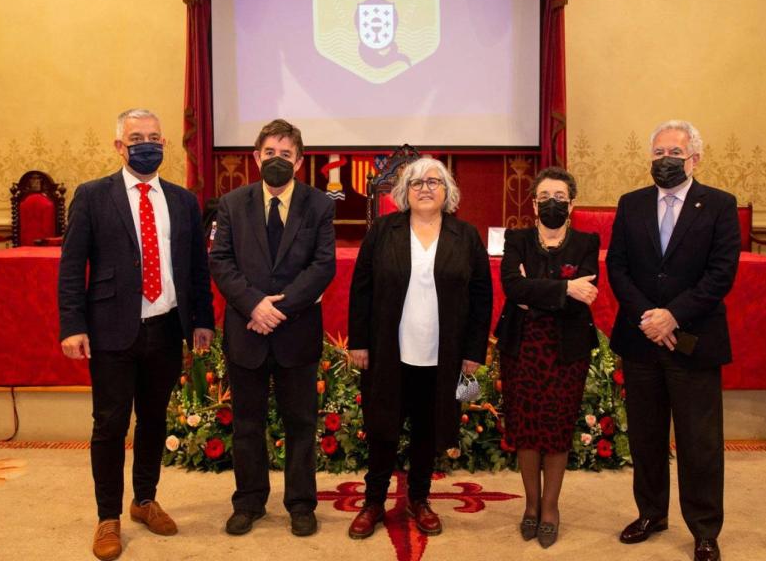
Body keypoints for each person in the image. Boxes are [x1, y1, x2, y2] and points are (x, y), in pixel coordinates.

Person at [58, 108, 215, 561]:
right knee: (110, 424)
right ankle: (107, 516)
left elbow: (196, 268)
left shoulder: (182, 201)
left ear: (164, 144)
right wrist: (73, 325)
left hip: (166, 328)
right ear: (119, 146)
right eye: (137, 138)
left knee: (153, 419)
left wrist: (202, 320)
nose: (147, 144)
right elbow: (72, 267)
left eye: (154, 138)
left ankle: (144, 500)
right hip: (111, 329)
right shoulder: (92, 196)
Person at [606, 120, 740, 561]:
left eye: (675, 153)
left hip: (694, 340)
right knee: (646, 436)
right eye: (659, 153)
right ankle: (651, 513)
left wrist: (673, 316)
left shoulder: (720, 205)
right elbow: (617, 267)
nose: (665, 160)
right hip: (641, 338)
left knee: (700, 442)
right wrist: (649, 317)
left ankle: (704, 529)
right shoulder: (631, 204)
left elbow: (721, 273)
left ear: (694, 159)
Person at [346, 158, 492, 539]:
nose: (425, 188)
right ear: (404, 192)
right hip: (388, 352)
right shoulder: (383, 231)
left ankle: (419, 499)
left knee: (427, 430)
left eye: (433, 181)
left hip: (442, 356)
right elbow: (361, 288)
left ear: (447, 191)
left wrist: (473, 350)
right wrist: (359, 341)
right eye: (416, 182)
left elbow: (481, 297)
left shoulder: (466, 236)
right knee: (383, 429)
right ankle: (373, 502)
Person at [209, 119, 336, 538]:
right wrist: (254, 305)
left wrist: (277, 309)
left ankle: (301, 504)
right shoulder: (232, 203)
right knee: (247, 423)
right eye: (269, 153)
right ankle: (248, 502)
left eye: (285, 154)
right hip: (246, 329)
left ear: (298, 162)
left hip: (295, 330)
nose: (276, 160)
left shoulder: (319, 205)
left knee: (301, 423)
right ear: (255, 157)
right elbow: (221, 261)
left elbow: (323, 265)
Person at [494, 166, 599, 549]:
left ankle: (550, 508)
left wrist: (535, 290)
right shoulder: (517, 238)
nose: (552, 204)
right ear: (534, 205)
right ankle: (531, 506)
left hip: (567, 349)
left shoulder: (586, 242)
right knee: (525, 427)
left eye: (560, 198)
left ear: (571, 205)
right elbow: (512, 287)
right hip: (522, 346)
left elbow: (586, 294)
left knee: (557, 428)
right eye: (544, 198)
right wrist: (564, 289)